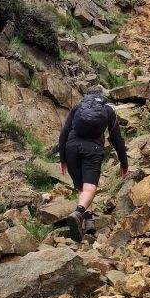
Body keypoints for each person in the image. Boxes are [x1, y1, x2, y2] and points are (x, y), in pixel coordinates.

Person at [58, 85, 129, 241]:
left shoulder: (78, 107)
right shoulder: (108, 110)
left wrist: (62, 158)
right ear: (101, 96)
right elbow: (116, 138)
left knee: (81, 186)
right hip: (93, 148)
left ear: (86, 96)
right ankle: (78, 212)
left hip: (71, 147)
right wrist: (124, 163)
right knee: (90, 187)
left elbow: (63, 133)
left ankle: (88, 220)